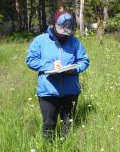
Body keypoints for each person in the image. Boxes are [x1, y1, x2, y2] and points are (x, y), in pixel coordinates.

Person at [25, 10, 90, 141]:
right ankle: (48, 147)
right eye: (62, 30)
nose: (64, 35)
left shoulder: (75, 42)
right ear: (54, 24)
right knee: (49, 124)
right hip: (48, 92)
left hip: (71, 91)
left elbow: (84, 61)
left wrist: (74, 69)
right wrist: (49, 66)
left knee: (68, 124)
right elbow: (30, 60)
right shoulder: (40, 41)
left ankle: (66, 146)